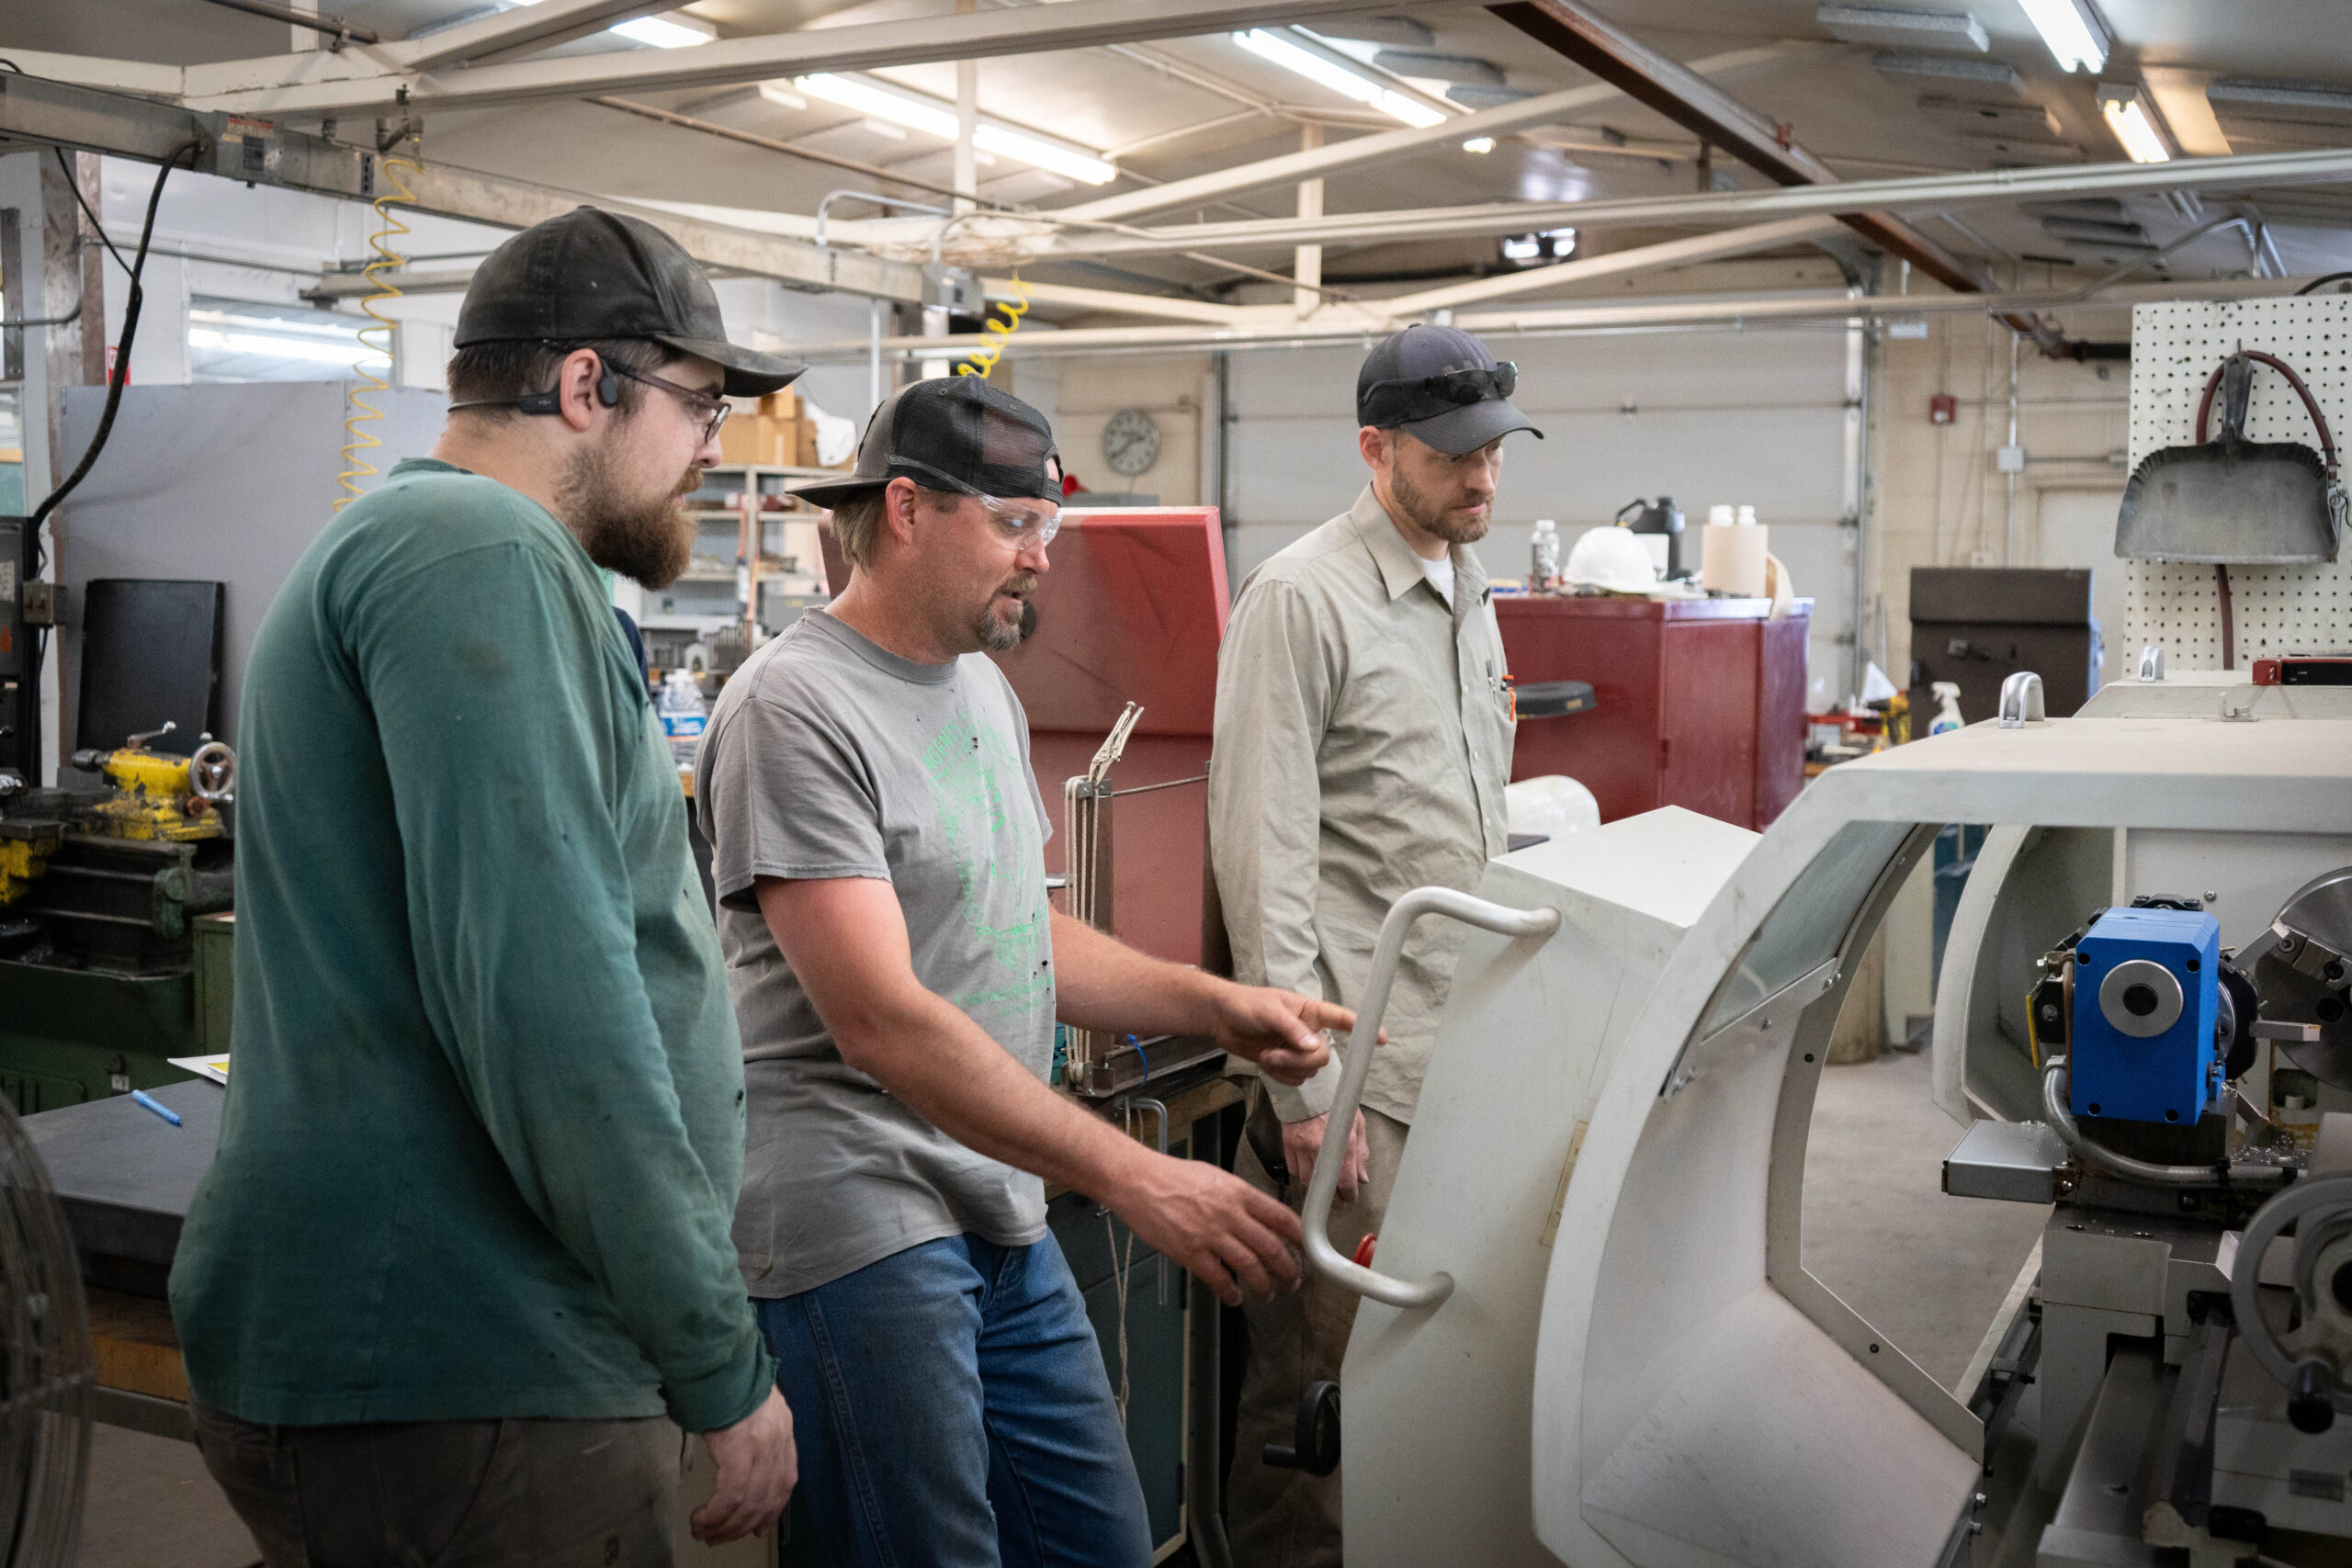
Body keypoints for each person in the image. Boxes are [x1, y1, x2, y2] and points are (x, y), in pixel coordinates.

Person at [170, 208, 801, 1566]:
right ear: (587, 386)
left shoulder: (436, 550)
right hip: (466, 1361)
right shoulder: (480, 553)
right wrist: (717, 1358)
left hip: (453, 1351)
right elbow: (552, 1011)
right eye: (697, 406)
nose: (711, 446)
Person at [695, 375, 1355, 1566]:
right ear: (904, 509)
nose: (1041, 557)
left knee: (1096, 1543)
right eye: (1013, 523)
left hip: (997, 1200)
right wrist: (1137, 1178)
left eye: (1047, 525)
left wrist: (1214, 1004)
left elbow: (1022, 926)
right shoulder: (793, 707)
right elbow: (881, 1021)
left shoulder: (980, 692)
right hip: (861, 1221)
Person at [1209, 323, 1543, 1567]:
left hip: (1461, 1065)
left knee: (1424, 1383)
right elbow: (1266, 855)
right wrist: (1303, 1084)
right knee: (1318, 1409)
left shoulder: (1468, 595)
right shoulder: (1303, 600)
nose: (1482, 479)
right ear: (1374, 448)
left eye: (1496, 453)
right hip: (1355, 1083)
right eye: (1454, 456)